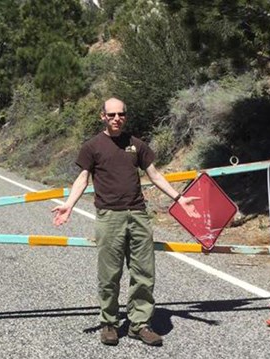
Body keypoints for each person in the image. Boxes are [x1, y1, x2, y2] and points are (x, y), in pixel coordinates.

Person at [51, 98, 200, 346]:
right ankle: (109, 322)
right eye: (111, 115)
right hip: (109, 216)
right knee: (109, 274)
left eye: (121, 114)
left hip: (138, 215)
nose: (116, 118)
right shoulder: (92, 146)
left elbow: (154, 175)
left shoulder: (136, 145)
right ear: (103, 117)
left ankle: (139, 324)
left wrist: (179, 198)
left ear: (125, 117)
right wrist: (69, 205)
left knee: (144, 273)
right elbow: (82, 178)